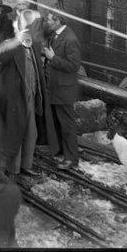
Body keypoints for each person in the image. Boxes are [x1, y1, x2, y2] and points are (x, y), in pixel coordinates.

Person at [0, 0, 55, 176]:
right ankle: (12, 169)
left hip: (32, 95)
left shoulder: (34, 45)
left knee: (31, 133)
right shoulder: (10, 43)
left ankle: (26, 166)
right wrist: (15, 42)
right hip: (15, 97)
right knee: (15, 132)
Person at [42, 11, 82, 169]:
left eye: (49, 20)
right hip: (56, 88)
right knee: (59, 123)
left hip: (64, 90)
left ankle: (72, 159)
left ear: (58, 21)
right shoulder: (56, 35)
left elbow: (74, 66)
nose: (47, 22)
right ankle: (62, 152)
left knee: (67, 125)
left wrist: (53, 58)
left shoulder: (70, 39)